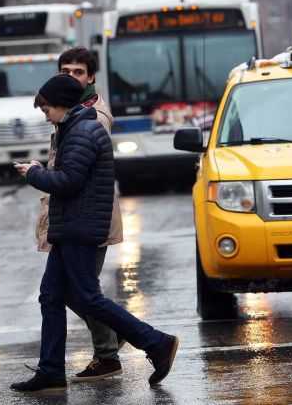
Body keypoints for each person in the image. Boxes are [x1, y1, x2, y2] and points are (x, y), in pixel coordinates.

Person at [12, 75, 178, 392]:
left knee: (89, 298)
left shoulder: (82, 132)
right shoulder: (73, 129)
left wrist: (34, 173)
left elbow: (67, 182)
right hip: (71, 227)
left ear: (62, 104)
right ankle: (50, 371)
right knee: (50, 295)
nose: (46, 116)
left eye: (47, 109)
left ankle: (157, 343)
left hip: (80, 227)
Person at [33, 47, 125, 383]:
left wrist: (37, 174)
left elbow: (73, 177)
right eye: (65, 71)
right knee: (66, 290)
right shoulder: (67, 112)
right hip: (73, 216)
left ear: (91, 77)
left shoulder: (91, 117)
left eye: (78, 72)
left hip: (87, 218)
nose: (71, 77)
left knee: (81, 291)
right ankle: (110, 344)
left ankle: (114, 346)